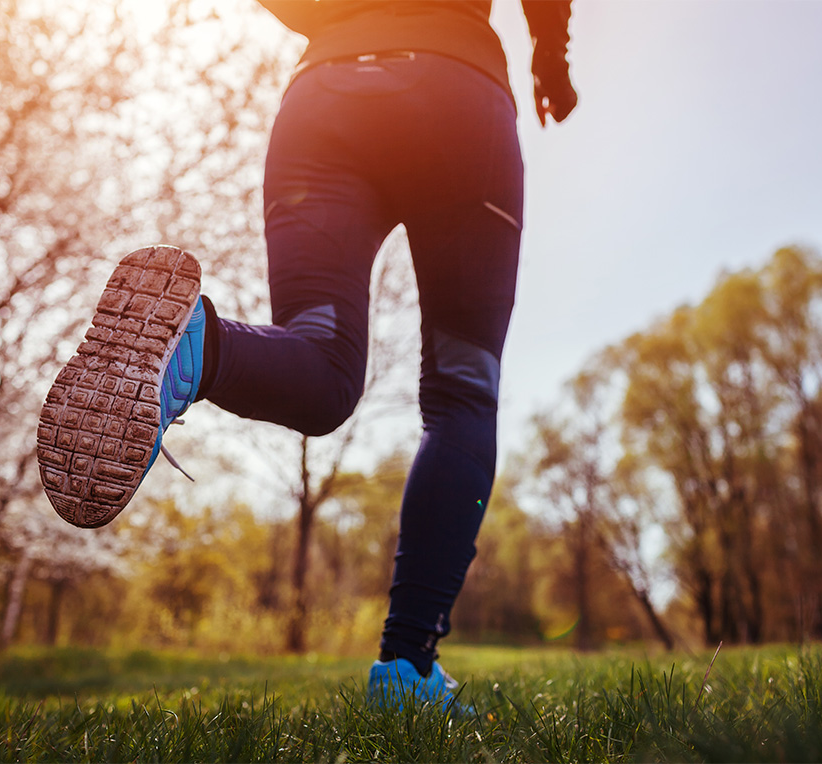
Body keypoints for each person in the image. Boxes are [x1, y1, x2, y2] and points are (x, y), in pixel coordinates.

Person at [37, 0, 576, 713]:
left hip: (326, 103)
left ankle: (201, 347)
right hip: (456, 96)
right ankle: (408, 667)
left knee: (322, 367)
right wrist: (549, 59)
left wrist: (340, 22)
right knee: (460, 392)